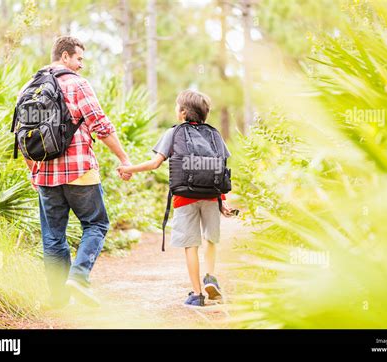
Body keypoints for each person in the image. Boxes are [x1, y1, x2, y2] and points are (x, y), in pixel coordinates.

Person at [16, 36, 132, 308]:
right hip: (80, 171)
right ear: (65, 56)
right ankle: (79, 278)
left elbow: (23, 138)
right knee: (96, 224)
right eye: (79, 58)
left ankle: (57, 298)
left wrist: (34, 171)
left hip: (45, 175)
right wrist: (123, 158)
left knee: (53, 237)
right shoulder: (78, 84)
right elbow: (100, 126)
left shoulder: (28, 88)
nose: (81, 65)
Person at [118, 89, 233, 308]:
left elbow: (154, 164)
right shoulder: (214, 134)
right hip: (211, 196)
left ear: (182, 112)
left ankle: (197, 294)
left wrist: (128, 168)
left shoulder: (174, 133)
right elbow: (220, 168)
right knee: (211, 239)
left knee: (191, 245)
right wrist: (223, 200)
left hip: (184, 196)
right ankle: (210, 277)